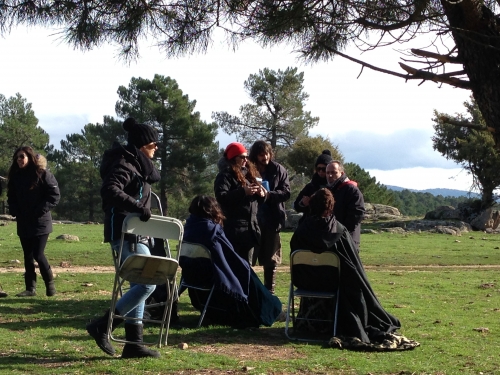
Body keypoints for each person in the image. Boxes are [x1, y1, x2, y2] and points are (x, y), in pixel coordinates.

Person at [290, 189, 406, 349]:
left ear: (312, 205)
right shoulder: (339, 230)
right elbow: (353, 266)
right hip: (333, 285)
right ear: (331, 207)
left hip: (305, 283)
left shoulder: (301, 231)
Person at [86, 117, 161, 359]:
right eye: (152, 145)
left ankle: (134, 344)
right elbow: (110, 189)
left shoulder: (137, 165)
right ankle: (103, 326)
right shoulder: (125, 164)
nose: (156, 148)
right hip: (125, 232)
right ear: (141, 147)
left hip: (138, 234)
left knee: (139, 284)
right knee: (147, 283)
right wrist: (137, 207)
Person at [180, 195, 283, 328]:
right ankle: (273, 311)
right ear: (213, 210)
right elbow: (229, 257)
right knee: (247, 273)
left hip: (193, 277)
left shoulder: (187, 228)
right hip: (212, 277)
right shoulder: (212, 230)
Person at [7, 147, 60, 297]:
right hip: (23, 221)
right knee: (27, 256)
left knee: (38, 254)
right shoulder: (16, 177)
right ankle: (30, 288)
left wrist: (39, 210)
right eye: (17, 157)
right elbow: (11, 197)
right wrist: (14, 210)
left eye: (22, 157)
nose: (19, 160)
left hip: (40, 222)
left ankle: (50, 285)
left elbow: (54, 196)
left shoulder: (43, 174)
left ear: (29, 157)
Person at [248, 140, 290, 294]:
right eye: (261, 154)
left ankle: (269, 294)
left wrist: (268, 195)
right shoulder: (248, 169)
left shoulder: (279, 169)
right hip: (252, 222)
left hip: (272, 221)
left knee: (271, 261)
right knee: (248, 260)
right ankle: (250, 293)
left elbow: (286, 193)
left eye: (266, 153)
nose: (264, 157)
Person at [214, 142, 265, 264]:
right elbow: (221, 197)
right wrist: (243, 191)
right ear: (232, 157)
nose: (245, 160)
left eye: (246, 157)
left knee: (246, 269)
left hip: (250, 230)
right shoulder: (224, 175)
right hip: (233, 231)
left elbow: (255, 201)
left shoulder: (249, 173)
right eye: (242, 157)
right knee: (234, 267)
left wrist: (262, 195)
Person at [325, 160, 365, 250]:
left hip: (348, 239)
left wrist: (341, 231)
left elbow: (357, 214)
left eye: (334, 172)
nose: (330, 175)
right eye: (327, 173)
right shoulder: (330, 189)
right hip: (332, 239)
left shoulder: (351, 190)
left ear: (341, 173)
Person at [293, 149, 332, 223]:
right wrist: (303, 203)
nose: (320, 172)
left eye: (324, 169)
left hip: (329, 224)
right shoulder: (311, 186)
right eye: (318, 169)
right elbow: (296, 205)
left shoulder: (334, 186)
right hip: (310, 224)